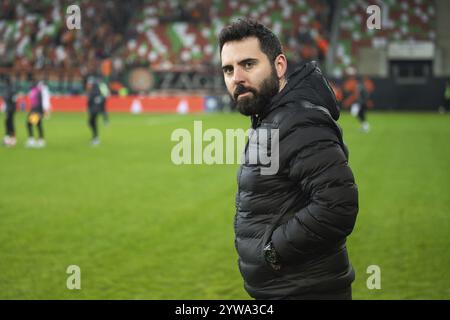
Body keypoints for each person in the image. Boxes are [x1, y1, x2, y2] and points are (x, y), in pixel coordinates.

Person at [219, 19, 358, 300]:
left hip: (305, 292)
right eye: (228, 69)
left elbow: (338, 205)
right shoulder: (274, 118)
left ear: (279, 66)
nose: (237, 77)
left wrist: (273, 252)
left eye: (248, 64)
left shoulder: (298, 121)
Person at [25, 81, 51, 148]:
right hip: (35, 111)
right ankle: (40, 140)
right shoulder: (37, 91)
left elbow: (38, 102)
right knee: (37, 124)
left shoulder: (35, 92)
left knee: (30, 124)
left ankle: (33, 140)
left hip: (35, 111)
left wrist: (40, 112)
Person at [87, 80, 106, 146]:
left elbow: (89, 102)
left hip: (93, 111)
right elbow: (103, 103)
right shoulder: (99, 93)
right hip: (97, 111)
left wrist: (89, 109)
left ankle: (96, 138)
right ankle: (95, 137)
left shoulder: (92, 93)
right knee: (92, 123)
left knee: (91, 123)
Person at [2, 77, 17, 147]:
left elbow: (13, 100)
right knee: (7, 122)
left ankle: (13, 139)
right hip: (8, 108)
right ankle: (7, 138)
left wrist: (12, 108)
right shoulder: (7, 88)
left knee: (10, 123)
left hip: (11, 109)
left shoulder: (11, 89)